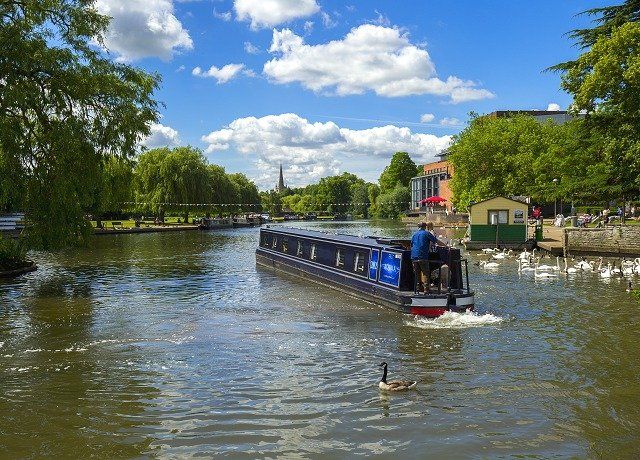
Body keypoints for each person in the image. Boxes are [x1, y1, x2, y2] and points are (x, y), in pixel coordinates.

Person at [411, 221, 447, 294]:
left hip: (413, 256)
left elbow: (411, 244)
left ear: (418, 227)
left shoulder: (414, 234)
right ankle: (426, 290)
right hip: (422, 256)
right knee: (426, 273)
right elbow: (436, 241)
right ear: (425, 227)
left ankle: (418, 289)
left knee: (417, 273)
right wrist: (445, 246)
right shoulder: (426, 233)